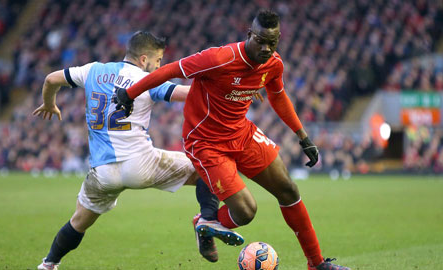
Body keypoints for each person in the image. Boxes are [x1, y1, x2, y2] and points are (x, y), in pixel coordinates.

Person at [113, 11, 351, 270]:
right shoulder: (219, 58)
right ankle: (205, 222)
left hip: (241, 133)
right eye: (260, 40)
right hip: (205, 142)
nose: (265, 48)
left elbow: (278, 97)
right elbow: (171, 69)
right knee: (246, 212)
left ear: (279, 39)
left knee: (289, 190)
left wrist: (303, 136)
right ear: (250, 35)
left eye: (272, 43)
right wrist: (130, 93)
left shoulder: (273, 64)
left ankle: (316, 264)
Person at [32, 31, 243, 270]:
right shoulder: (146, 80)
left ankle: (49, 264)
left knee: (79, 220)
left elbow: (51, 79)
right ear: (144, 59)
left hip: (102, 173)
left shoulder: (91, 70)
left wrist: (50, 103)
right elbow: (188, 94)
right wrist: (233, 91)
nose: (159, 66)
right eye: (158, 60)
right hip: (141, 164)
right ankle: (207, 219)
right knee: (205, 167)